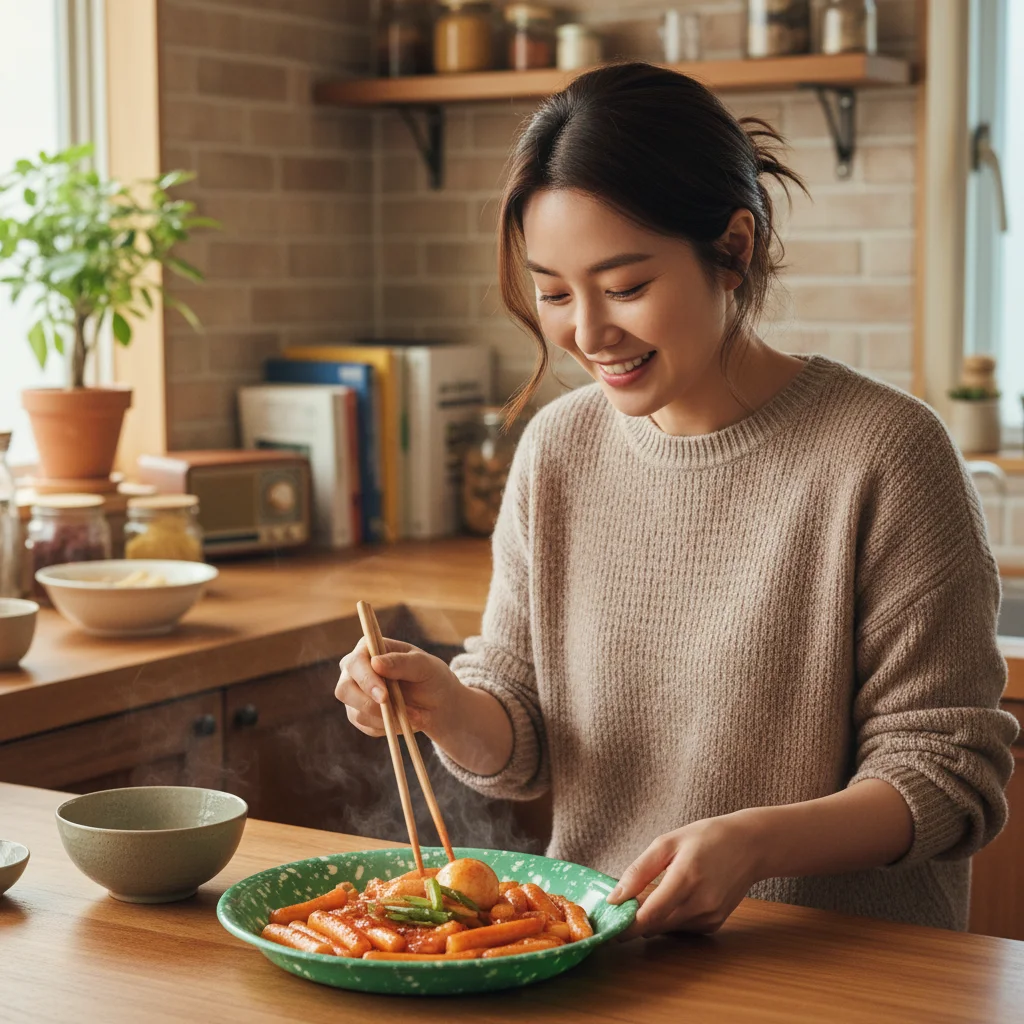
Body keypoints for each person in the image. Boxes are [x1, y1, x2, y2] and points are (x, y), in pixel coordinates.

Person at [335, 62, 1018, 937]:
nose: (587, 331)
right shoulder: (557, 450)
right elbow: (524, 735)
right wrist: (447, 707)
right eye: (553, 293)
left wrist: (754, 845)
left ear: (733, 249)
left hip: (838, 973)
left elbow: (950, 774)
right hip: (610, 952)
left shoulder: (885, 453)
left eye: (625, 288)